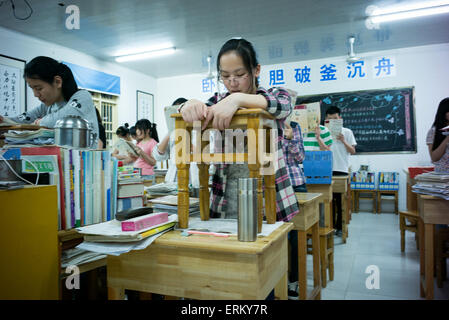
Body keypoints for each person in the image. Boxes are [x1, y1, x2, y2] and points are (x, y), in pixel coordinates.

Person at [179, 38, 299, 222]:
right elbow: (198, 109)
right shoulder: (218, 101)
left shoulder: (275, 94)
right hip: (227, 200)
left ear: (256, 70)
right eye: (225, 76)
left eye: (240, 74)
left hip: (270, 203)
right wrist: (188, 105)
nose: (232, 83)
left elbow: (283, 105)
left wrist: (238, 100)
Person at [0, 56, 99, 148]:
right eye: (32, 88)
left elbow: (62, 119)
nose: (35, 94)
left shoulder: (82, 96)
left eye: (38, 88)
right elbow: (23, 119)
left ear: (57, 82)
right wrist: (3, 120)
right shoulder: (48, 105)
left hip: (84, 161)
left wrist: (40, 122)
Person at [282, 120, 307, 299]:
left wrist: (290, 139)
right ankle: (276, 279)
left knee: (296, 237)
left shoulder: (293, 126)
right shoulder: (263, 123)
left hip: (294, 184)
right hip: (270, 186)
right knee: (276, 237)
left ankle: (294, 281)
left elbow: (300, 158)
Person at [152, 98, 199, 187]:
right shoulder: (172, 134)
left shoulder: (197, 131)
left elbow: (205, 156)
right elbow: (158, 156)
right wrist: (170, 131)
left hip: (193, 178)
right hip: (173, 179)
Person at [325, 106, 356, 236]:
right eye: (329, 119)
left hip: (341, 170)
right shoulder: (323, 132)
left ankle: (339, 227)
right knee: (328, 200)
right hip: (326, 170)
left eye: (335, 119)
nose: (332, 121)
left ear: (340, 118)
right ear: (326, 120)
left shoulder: (347, 132)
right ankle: (329, 226)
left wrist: (343, 141)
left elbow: (353, 151)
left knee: (339, 201)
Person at [427, 98, 449, 173]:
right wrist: (447, 138)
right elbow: (434, 158)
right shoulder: (433, 132)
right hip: (443, 177)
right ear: (443, 112)